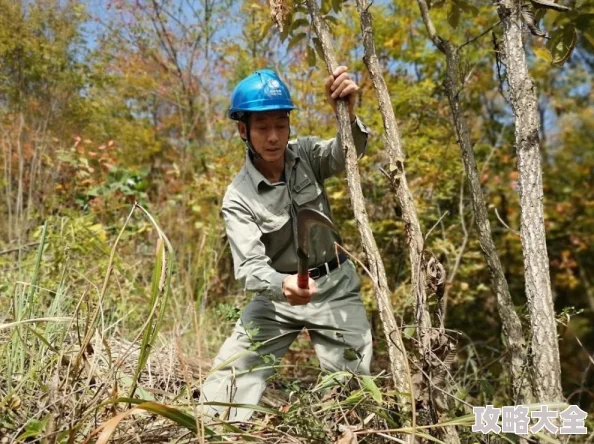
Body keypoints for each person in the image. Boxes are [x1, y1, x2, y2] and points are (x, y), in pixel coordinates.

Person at [199, 66, 373, 422]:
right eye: (262, 127)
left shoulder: (306, 154)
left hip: (336, 286)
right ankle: (211, 430)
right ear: (243, 130)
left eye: (281, 124)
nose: (273, 136)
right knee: (225, 385)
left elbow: (347, 154)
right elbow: (248, 267)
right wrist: (282, 285)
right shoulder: (238, 197)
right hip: (276, 296)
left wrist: (348, 114)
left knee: (354, 389)